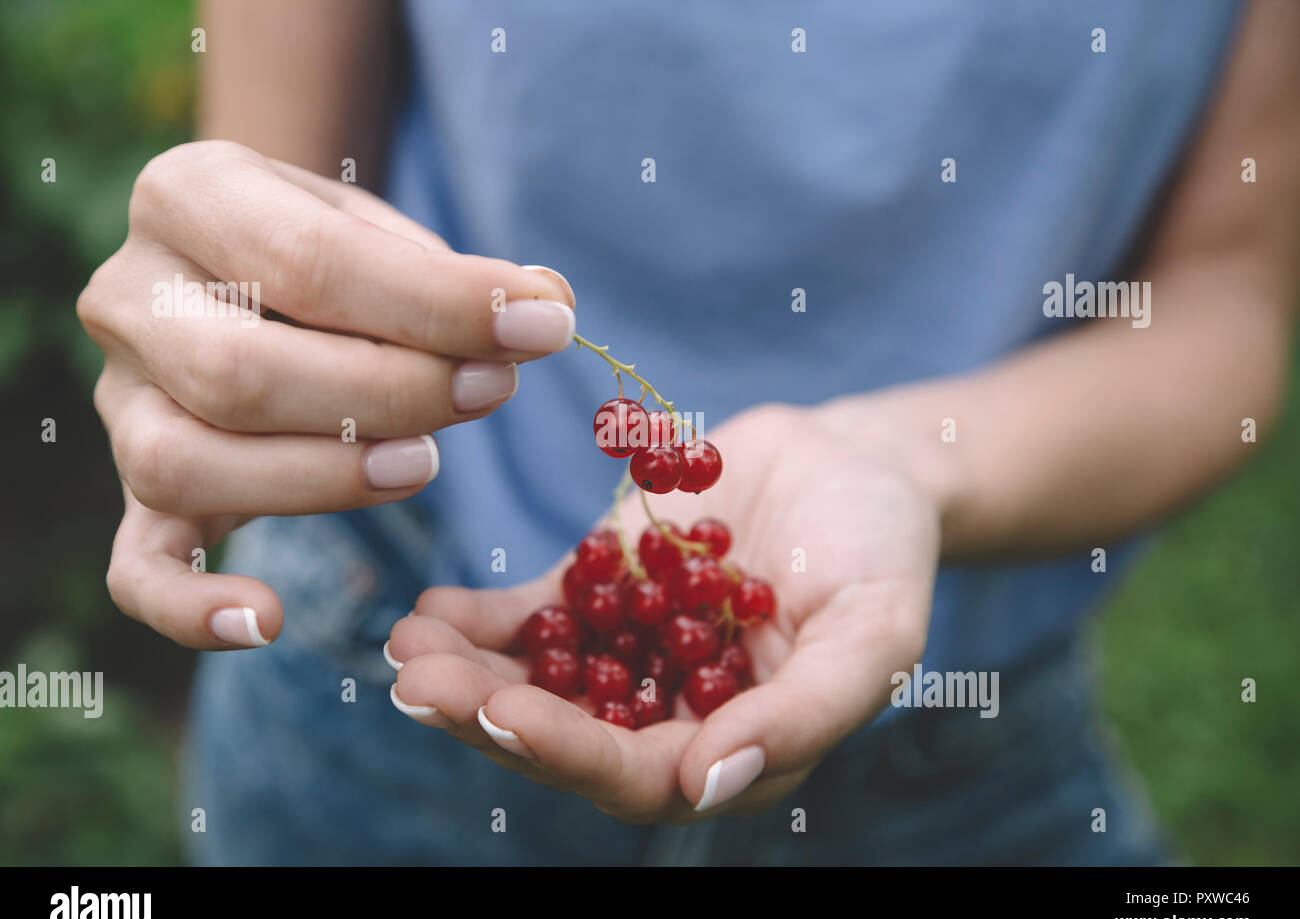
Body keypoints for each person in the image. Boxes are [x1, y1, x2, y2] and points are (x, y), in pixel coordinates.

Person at [76, 1, 1298, 864]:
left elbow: (1225, 302)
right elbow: (279, 184)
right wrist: (229, 309)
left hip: (959, 733)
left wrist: (904, 462)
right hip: (383, 649)